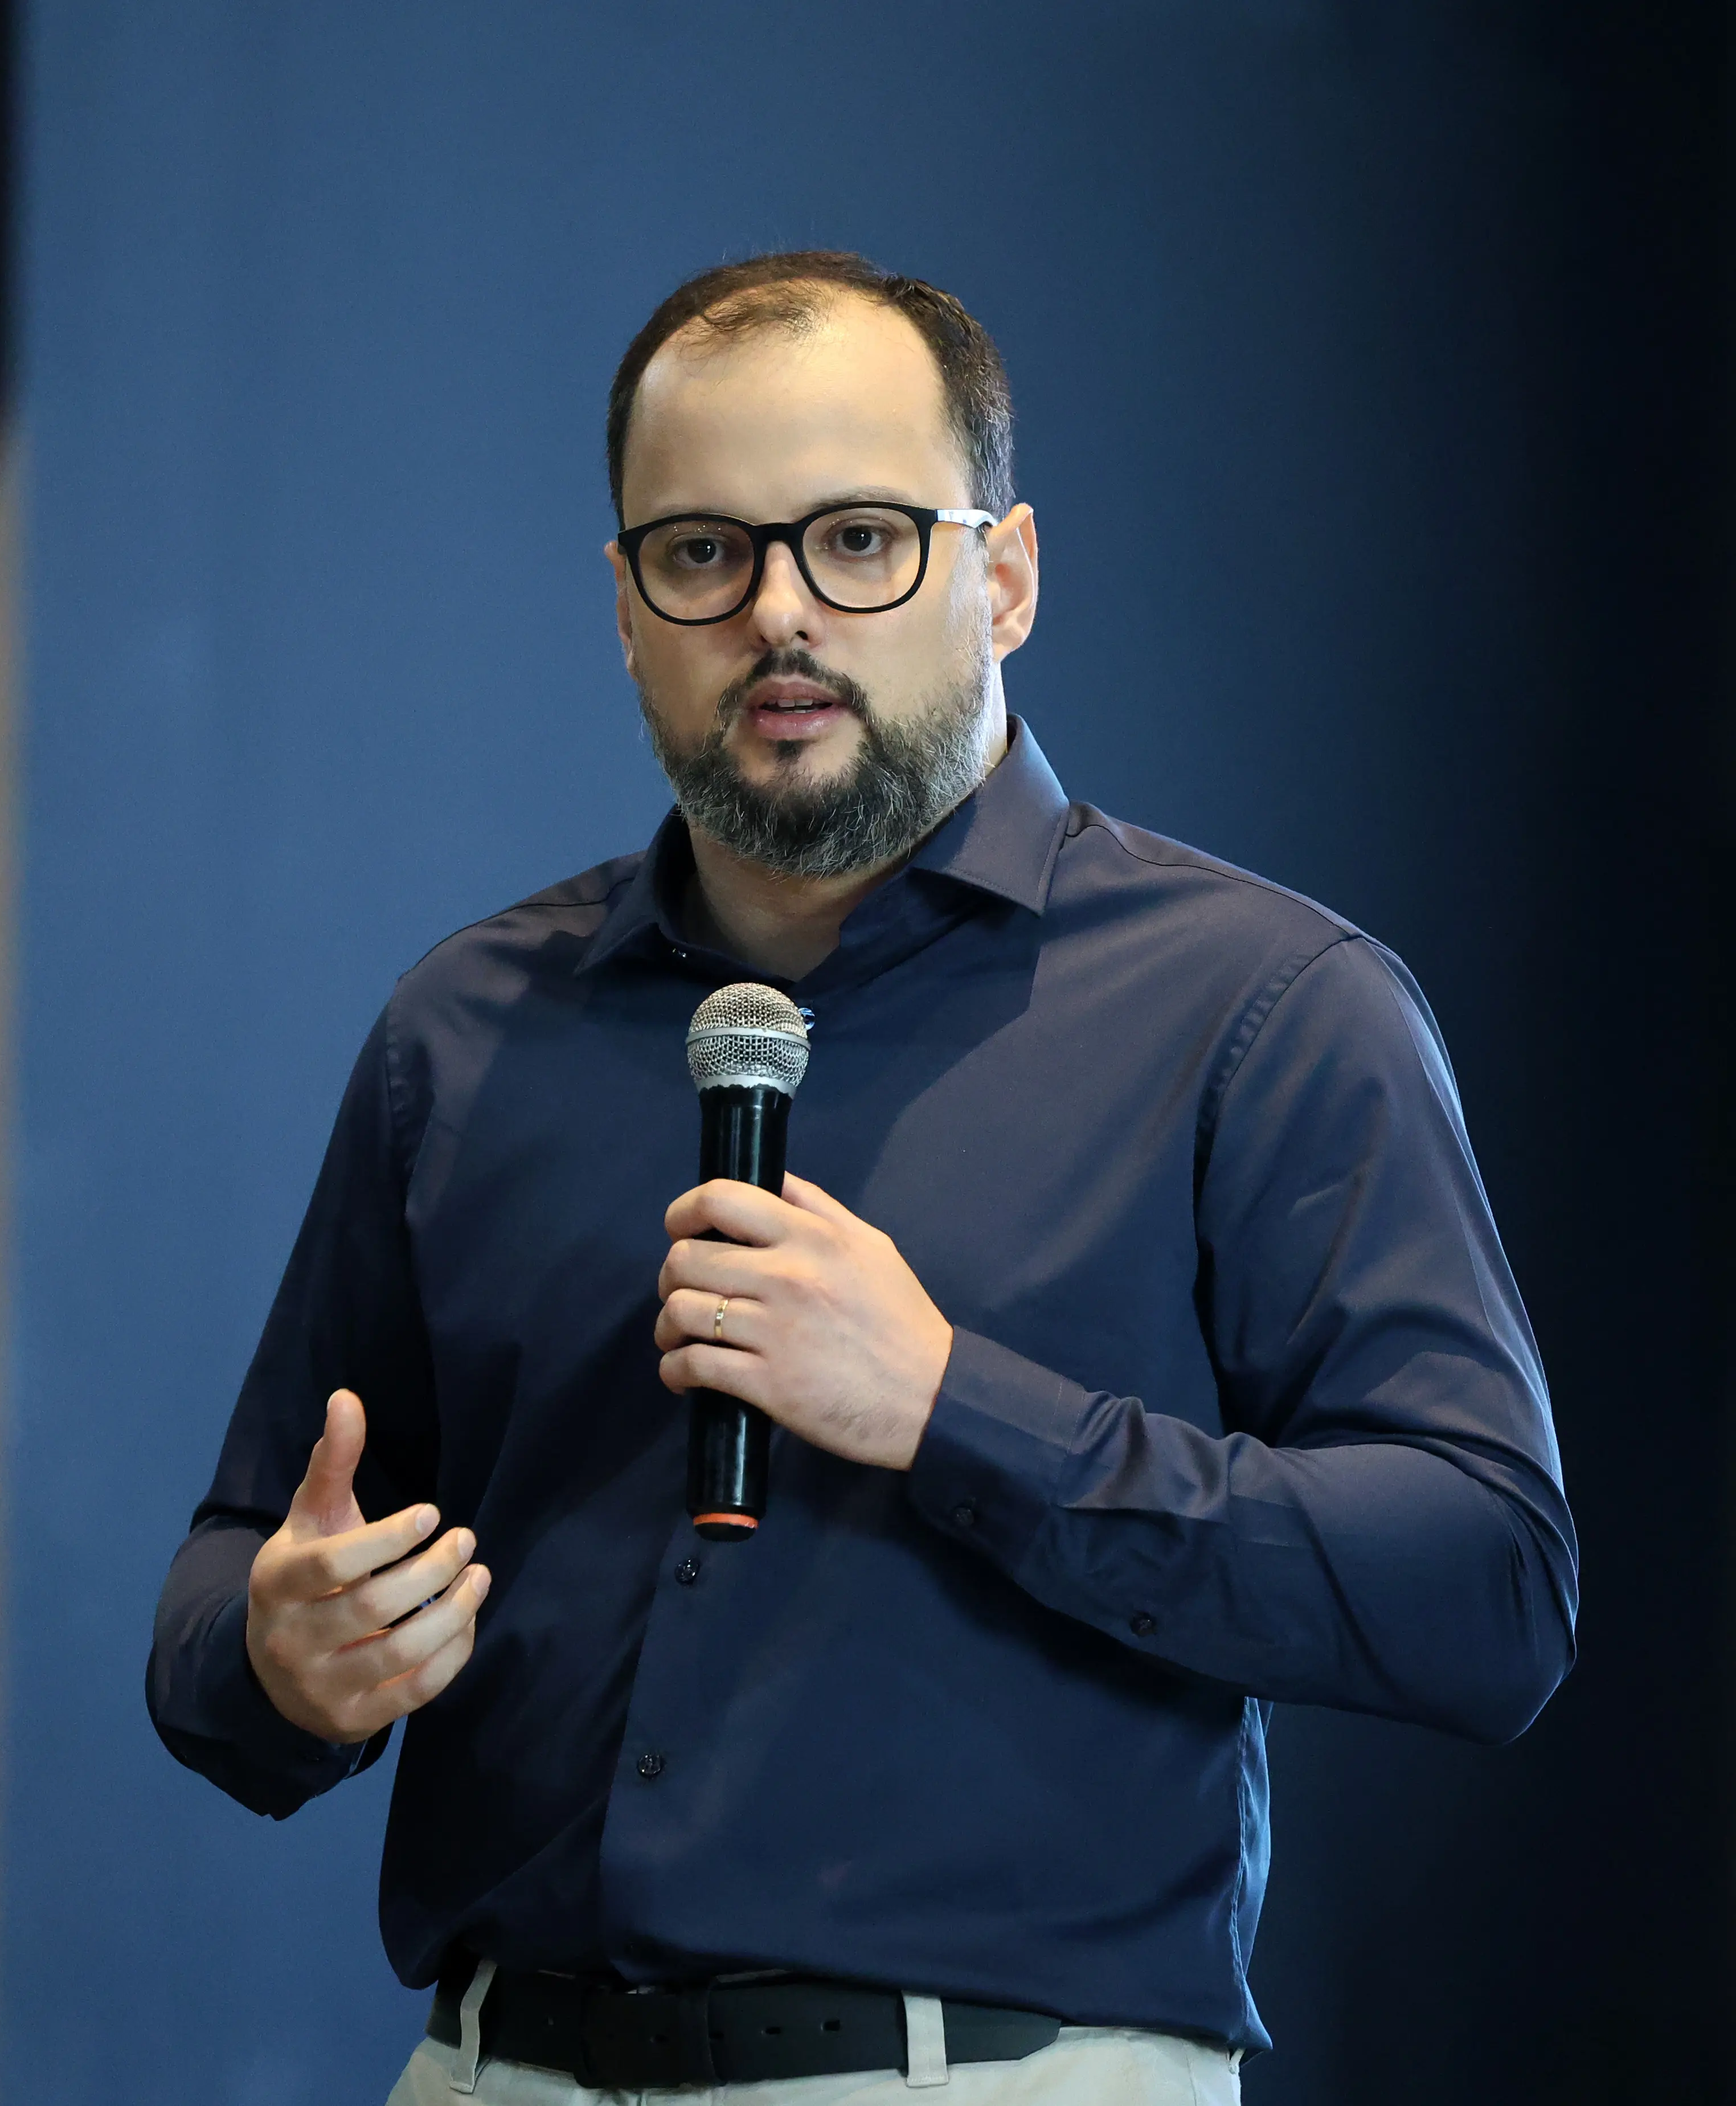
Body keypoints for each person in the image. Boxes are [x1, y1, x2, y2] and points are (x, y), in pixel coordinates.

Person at [148, 251, 1578, 2104]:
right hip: (503, 2066)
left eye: (859, 541)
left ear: (1006, 577)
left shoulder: (1263, 1008)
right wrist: (283, 1656)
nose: (779, 613)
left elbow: (1489, 1592)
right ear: (626, 609)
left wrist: (951, 1407)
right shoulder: (472, 1026)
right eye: (703, 554)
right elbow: (238, 1565)